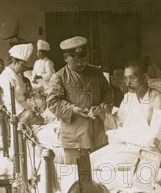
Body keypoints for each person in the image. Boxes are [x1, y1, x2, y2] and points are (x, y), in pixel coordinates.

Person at [90, 61, 161, 169]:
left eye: (132, 78)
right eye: (125, 78)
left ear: (145, 77)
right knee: (91, 159)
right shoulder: (128, 97)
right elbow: (118, 124)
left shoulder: (157, 99)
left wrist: (125, 137)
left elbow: (154, 140)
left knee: (100, 165)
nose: (128, 83)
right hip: (127, 146)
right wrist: (102, 113)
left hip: (147, 152)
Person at [46, 36, 113, 164]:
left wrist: (103, 104)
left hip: (97, 133)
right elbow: (53, 102)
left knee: (100, 171)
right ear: (66, 58)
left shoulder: (96, 72)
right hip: (74, 136)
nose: (80, 62)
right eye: (75, 59)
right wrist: (72, 109)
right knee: (74, 174)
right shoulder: (59, 77)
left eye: (83, 57)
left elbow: (107, 90)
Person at [0, 43, 34, 115]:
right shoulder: (6, 77)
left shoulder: (17, 75)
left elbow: (21, 94)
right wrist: (24, 114)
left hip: (25, 109)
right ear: (14, 62)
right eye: (22, 65)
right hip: (16, 114)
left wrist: (30, 98)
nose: (24, 67)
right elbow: (10, 101)